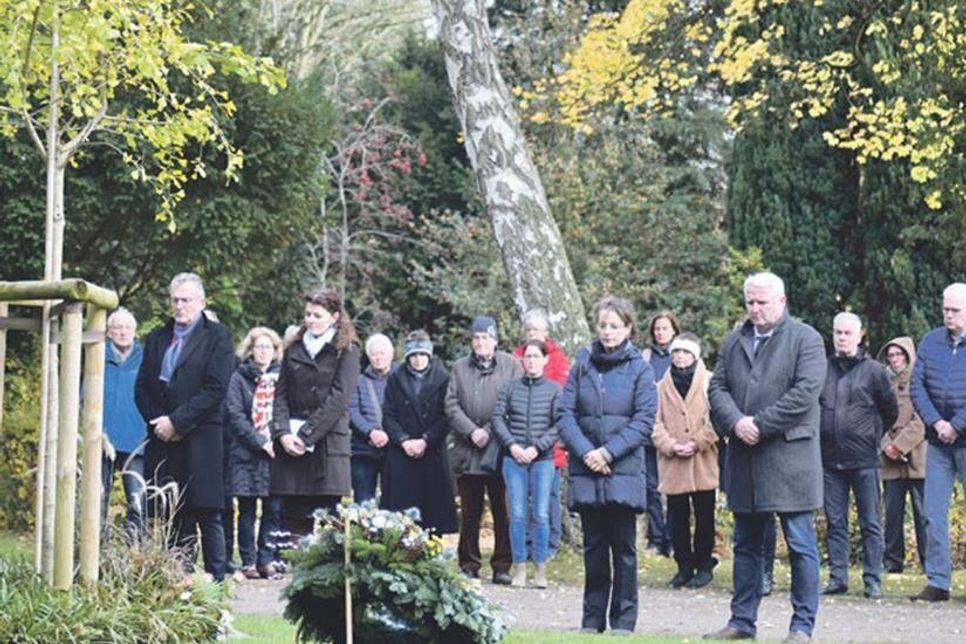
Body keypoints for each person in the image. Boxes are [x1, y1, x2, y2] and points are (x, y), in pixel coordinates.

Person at [705, 272, 826, 643]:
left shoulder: (806, 339)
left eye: (762, 302)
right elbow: (717, 387)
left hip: (790, 458)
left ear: (782, 301)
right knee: (746, 545)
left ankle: (802, 626)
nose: (755, 309)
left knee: (800, 544)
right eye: (750, 302)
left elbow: (805, 393)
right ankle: (742, 621)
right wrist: (736, 422)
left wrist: (759, 424)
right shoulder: (734, 340)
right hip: (745, 458)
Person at [557, 296, 656, 634]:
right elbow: (564, 413)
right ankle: (592, 620)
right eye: (603, 326)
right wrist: (587, 452)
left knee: (625, 550)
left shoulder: (640, 369)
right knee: (594, 549)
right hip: (587, 470)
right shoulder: (581, 363)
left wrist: (608, 453)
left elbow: (644, 420)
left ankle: (624, 621)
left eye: (615, 326)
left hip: (622, 470)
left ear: (628, 327)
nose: (608, 332)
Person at [136, 272, 234, 581]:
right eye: (175, 300)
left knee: (207, 512)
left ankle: (217, 587)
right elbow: (142, 389)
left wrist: (178, 422)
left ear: (201, 302)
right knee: (174, 514)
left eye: (186, 300)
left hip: (202, 438)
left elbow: (216, 389)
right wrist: (160, 424)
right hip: (164, 440)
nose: (180, 306)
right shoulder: (156, 337)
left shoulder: (217, 336)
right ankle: (180, 583)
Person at [270, 288, 360, 541]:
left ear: (334, 317)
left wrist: (306, 435)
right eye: (307, 314)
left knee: (330, 519)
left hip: (327, 445)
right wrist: (284, 433)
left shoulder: (348, 350)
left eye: (317, 315)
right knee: (294, 518)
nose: (310, 320)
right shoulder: (294, 347)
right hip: (292, 446)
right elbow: (280, 395)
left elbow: (339, 398)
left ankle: (328, 577)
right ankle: (296, 572)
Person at [818, 313, 897, 599]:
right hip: (829, 459)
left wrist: (871, 435)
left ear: (859, 335)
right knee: (835, 521)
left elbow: (890, 410)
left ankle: (872, 578)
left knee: (870, 522)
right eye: (837, 332)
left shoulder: (875, 371)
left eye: (847, 333)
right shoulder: (821, 368)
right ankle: (838, 577)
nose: (841, 338)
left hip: (864, 458)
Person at [445, 316, 522, 584]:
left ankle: (502, 565)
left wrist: (489, 430)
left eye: (485, 337)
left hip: (500, 450)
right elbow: (451, 405)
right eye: (476, 338)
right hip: (467, 452)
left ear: (495, 340)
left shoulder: (511, 366)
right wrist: (470, 430)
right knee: (469, 513)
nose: (480, 342)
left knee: (503, 511)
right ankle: (468, 563)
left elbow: (514, 402)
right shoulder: (458, 368)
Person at [909, 282, 966, 602]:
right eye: (945, 308)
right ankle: (938, 581)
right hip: (939, 443)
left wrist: (956, 425)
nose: (948, 315)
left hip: (964, 439)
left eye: (955, 310)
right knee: (932, 512)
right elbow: (917, 386)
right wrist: (937, 423)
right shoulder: (930, 342)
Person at [651, 332, 719, 589]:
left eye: (686, 353)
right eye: (676, 352)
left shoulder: (709, 383)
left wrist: (698, 442)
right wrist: (670, 445)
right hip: (673, 462)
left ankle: (704, 564)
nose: (680, 357)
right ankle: (683, 565)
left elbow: (717, 419)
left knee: (705, 515)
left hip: (702, 459)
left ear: (695, 355)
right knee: (676, 517)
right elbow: (654, 423)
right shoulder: (659, 387)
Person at [492, 339, 561, 588]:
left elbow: (559, 424)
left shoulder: (554, 390)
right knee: (518, 514)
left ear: (545, 359)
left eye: (535, 356)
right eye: (527, 356)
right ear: (522, 360)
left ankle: (540, 568)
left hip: (543, 460)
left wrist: (537, 447)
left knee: (541, 514)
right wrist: (512, 445)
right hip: (513, 458)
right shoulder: (510, 388)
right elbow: (497, 418)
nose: (531, 361)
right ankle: (519, 566)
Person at [381, 331, 458, 534]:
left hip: (431, 452)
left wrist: (425, 440)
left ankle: (433, 559)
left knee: (433, 515)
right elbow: (387, 415)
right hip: (401, 453)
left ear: (429, 355)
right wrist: (404, 440)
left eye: (422, 354)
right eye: (413, 355)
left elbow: (447, 415)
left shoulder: (443, 379)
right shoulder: (395, 379)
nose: (418, 359)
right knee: (400, 516)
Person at [224, 326, 285, 580]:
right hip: (246, 453)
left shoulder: (283, 378)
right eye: (259, 347)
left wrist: (276, 439)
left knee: (274, 509)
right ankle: (248, 561)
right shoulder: (239, 378)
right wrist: (260, 441)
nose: (263, 352)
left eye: (268, 347)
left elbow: (286, 411)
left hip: (276, 454)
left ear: (275, 351)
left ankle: (266, 559)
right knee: (247, 510)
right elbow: (235, 415)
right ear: (250, 350)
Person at [512, 309, 570, 559]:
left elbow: (562, 399)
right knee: (520, 499)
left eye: (536, 330)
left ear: (546, 333)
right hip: (518, 444)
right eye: (528, 331)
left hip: (549, 446)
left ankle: (550, 544)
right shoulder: (516, 358)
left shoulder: (558, 360)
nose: (532, 334)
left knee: (548, 498)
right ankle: (524, 544)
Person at [877, 336, 927, 574]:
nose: (894, 360)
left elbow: (923, 419)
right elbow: (877, 418)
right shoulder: (883, 383)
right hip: (890, 460)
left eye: (899, 355)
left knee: (923, 514)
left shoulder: (921, 382)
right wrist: (888, 445)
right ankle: (892, 562)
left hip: (917, 457)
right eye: (891, 355)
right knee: (892, 513)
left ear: (908, 356)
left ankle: (929, 562)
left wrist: (900, 445)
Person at [100, 307, 146, 542]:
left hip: (135, 438)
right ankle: (96, 548)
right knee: (98, 498)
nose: (122, 332)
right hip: (102, 439)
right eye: (117, 327)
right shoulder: (97, 356)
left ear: (135, 331)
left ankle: (135, 550)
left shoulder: (146, 358)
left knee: (137, 499)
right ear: (108, 332)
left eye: (127, 327)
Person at [642, 310, 680, 557]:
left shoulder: (681, 355)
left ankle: (675, 538)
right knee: (651, 487)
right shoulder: (644, 357)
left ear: (674, 330)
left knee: (675, 488)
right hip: (648, 430)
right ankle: (657, 538)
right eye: (657, 328)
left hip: (673, 430)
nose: (660, 332)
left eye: (665, 328)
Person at [348, 333, 396, 503]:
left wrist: (392, 434)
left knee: (394, 503)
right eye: (374, 353)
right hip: (363, 450)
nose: (378, 357)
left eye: (382, 353)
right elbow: (352, 412)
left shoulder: (402, 379)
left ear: (391, 354)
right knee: (362, 503)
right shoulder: (358, 381)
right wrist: (370, 432)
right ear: (368, 356)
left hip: (395, 450)